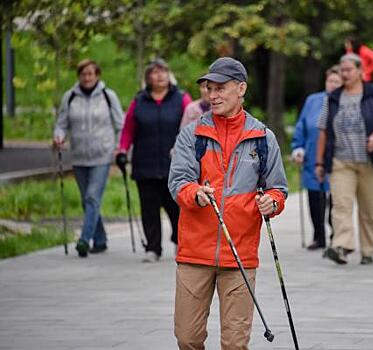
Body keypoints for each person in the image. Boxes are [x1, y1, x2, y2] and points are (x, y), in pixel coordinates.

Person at [168, 57, 287, 349]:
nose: (212, 95)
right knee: (187, 339)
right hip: (195, 253)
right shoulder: (192, 134)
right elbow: (178, 182)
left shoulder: (262, 137)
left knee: (235, 344)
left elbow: (278, 189)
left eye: (220, 88)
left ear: (241, 88)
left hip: (240, 256)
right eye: (209, 88)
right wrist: (195, 194)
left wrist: (271, 202)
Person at [316, 53, 373, 265]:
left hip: (371, 161)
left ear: (360, 71)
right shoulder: (332, 98)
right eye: (342, 70)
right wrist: (319, 162)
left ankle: (368, 251)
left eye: (349, 70)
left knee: (369, 209)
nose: (345, 74)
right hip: (341, 160)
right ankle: (342, 246)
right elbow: (322, 130)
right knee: (341, 205)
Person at [117, 59, 192, 262]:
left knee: (176, 207)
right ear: (148, 77)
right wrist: (122, 150)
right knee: (148, 209)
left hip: (174, 165)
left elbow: (192, 125)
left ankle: (179, 241)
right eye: (155, 72)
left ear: (169, 75)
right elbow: (128, 129)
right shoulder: (139, 101)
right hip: (145, 163)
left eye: (163, 72)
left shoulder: (181, 99)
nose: (159, 76)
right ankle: (153, 248)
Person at [53, 59, 124, 257]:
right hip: (79, 157)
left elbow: (121, 125)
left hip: (102, 156)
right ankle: (100, 240)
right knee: (87, 201)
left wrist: (119, 148)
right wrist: (58, 136)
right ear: (79, 76)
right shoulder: (70, 97)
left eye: (91, 74)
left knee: (93, 197)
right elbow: (61, 124)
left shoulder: (108, 96)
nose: (87, 77)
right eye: (83, 74)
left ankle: (84, 239)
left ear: (97, 75)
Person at [291, 65, 342, 250]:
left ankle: (338, 234)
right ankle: (318, 236)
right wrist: (298, 147)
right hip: (313, 155)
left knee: (337, 198)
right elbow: (301, 125)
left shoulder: (344, 101)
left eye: (337, 82)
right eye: (330, 81)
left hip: (337, 157)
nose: (333, 85)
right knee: (315, 197)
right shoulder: (313, 100)